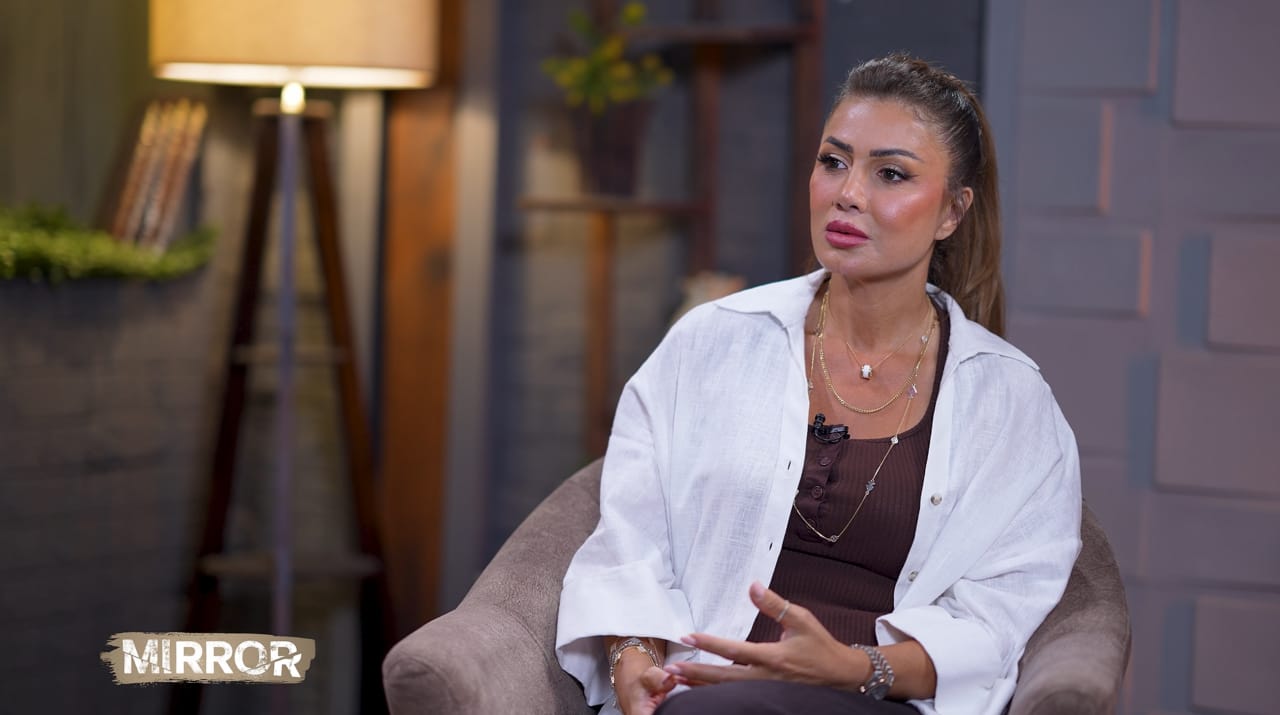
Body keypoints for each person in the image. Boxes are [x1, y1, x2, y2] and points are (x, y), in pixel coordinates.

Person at [555, 53, 1081, 715]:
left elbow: (997, 620)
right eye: (833, 162)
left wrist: (852, 668)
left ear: (952, 212)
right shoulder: (710, 341)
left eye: (890, 173)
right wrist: (634, 659)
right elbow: (631, 535)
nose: (847, 193)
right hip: (698, 692)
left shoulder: (1011, 401)